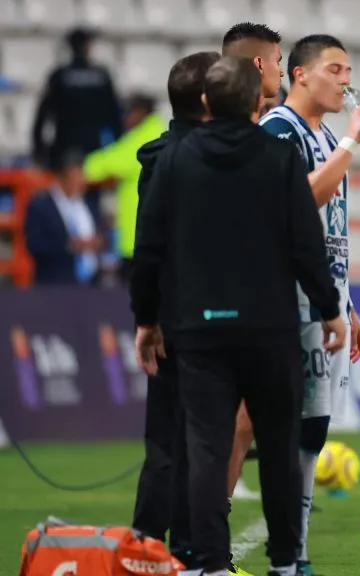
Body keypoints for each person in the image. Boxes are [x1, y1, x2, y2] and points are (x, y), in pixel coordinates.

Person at [130, 55, 347, 576]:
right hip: (269, 327)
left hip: (200, 328)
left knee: (206, 447)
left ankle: (207, 563)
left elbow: (149, 246)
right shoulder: (279, 157)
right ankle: (284, 562)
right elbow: (305, 245)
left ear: (206, 102)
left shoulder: (177, 159)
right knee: (277, 448)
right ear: (257, 102)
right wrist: (330, 309)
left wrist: (146, 318)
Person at [258, 33, 360, 576]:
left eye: (348, 70)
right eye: (335, 69)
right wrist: (352, 144)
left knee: (315, 427)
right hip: (285, 303)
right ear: (300, 75)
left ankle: (296, 549)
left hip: (323, 300)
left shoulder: (327, 133)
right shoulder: (278, 130)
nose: (345, 81)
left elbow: (332, 232)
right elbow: (296, 202)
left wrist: (345, 301)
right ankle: (285, 553)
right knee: (286, 429)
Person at [129, 51, 220, 575]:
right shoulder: (210, 157)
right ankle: (185, 551)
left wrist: (147, 318)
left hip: (168, 317)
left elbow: (148, 250)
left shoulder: (157, 155)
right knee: (194, 443)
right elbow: (155, 247)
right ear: (210, 99)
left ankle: (145, 549)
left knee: (167, 440)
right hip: (206, 321)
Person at [219, 22, 285, 504]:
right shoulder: (252, 136)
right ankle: (203, 543)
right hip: (235, 295)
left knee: (243, 419)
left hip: (244, 293)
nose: (281, 72)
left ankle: (204, 540)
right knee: (233, 418)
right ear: (260, 64)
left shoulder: (255, 127)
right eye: (279, 61)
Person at [83, 93, 165, 282]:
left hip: (138, 237)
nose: (125, 118)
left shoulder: (144, 137)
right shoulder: (160, 131)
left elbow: (108, 162)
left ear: (140, 113)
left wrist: (81, 167)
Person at [31, 27, 122, 170]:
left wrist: (39, 151)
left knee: (65, 191)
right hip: (94, 150)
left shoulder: (59, 75)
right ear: (87, 47)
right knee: (90, 189)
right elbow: (115, 117)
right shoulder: (101, 76)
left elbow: (43, 115)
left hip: (63, 147)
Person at [24, 151, 103, 285]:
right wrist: (69, 245)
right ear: (62, 177)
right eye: (76, 176)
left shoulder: (89, 203)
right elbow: (34, 244)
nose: (81, 182)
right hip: (55, 286)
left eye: (82, 176)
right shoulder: (41, 205)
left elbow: (103, 232)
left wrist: (99, 242)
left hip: (91, 286)